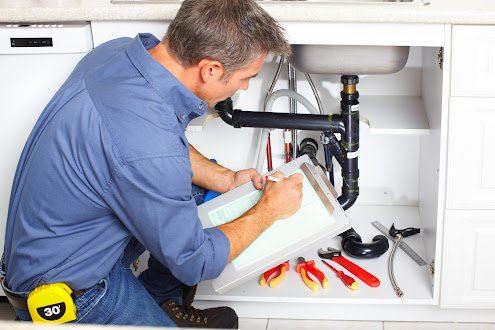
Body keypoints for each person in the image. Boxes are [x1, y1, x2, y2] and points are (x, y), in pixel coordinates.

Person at [1, 0, 303, 327]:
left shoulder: (118, 55)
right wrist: (269, 210)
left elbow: (150, 147)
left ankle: (161, 304)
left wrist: (227, 180)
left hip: (68, 245)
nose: (244, 86)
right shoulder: (149, 146)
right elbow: (195, 261)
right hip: (73, 293)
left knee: (200, 193)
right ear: (211, 70)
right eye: (246, 77)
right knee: (190, 234)